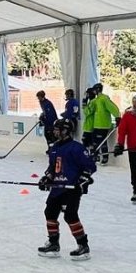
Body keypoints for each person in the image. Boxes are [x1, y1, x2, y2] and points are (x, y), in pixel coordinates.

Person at [37, 118, 95, 261]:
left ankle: (83, 245)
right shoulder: (55, 148)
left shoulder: (77, 148)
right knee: (49, 212)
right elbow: (53, 168)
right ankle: (53, 243)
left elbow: (90, 167)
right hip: (57, 188)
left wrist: (83, 179)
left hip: (71, 188)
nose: (55, 132)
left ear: (66, 131)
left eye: (58, 129)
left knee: (70, 215)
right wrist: (47, 179)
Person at [89, 83, 121, 165]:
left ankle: (105, 157)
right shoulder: (96, 100)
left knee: (102, 141)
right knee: (94, 141)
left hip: (103, 125)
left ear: (98, 90)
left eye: (94, 90)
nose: (93, 92)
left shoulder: (104, 99)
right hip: (96, 124)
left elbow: (112, 107)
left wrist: (117, 116)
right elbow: (89, 110)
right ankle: (96, 156)